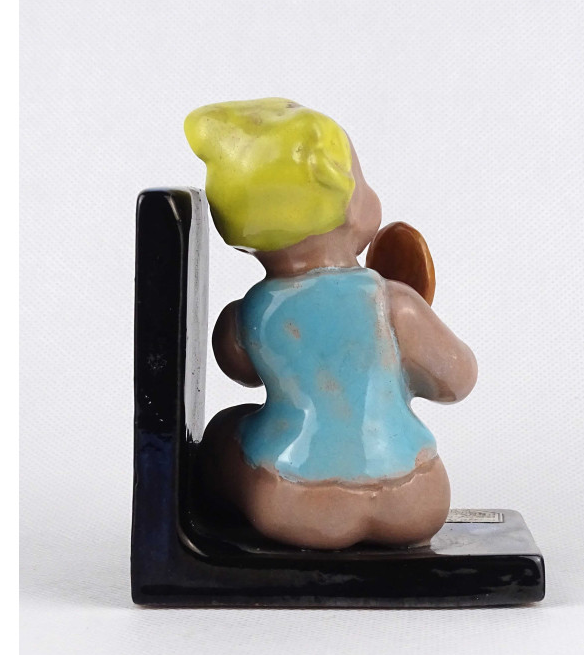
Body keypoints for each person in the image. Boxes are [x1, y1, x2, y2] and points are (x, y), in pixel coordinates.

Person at [186, 98, 476, 549]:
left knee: (226, 433)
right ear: (346, 201)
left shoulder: (248, 316)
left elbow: (237, 367)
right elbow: (457, 381)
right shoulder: (394, 303)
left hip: (295, 497)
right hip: (414, 491)